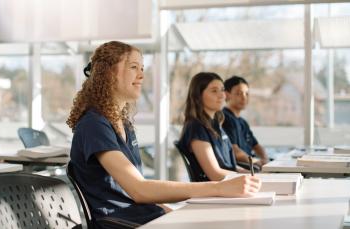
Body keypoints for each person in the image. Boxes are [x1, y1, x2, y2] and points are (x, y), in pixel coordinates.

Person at [67, 41, 261, 227]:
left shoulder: (124, 124)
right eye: (134, 67)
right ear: (108, 73)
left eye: (142, 68)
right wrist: (219, 188)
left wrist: (171, 212)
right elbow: (140, 190)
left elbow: (142, 196)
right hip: (119, 223)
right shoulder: (93, 125)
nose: (142, 76)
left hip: (142, 215)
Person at [178, 72, 249, 182]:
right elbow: (215, 174)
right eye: (214, 91)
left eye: (222, 90)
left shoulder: (216, 124)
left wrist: (249, 173)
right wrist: (247, 177)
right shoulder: (196, 127)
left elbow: (228, 166)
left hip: (229, 186)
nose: (222, 95)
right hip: (215, 191)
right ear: (198, 95)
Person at [222, 75, 269, 167]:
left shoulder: (242, 122)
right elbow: (234, 151)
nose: (244, 98)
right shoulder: (225, 118)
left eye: (246, 93)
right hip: (243, 167)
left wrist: (265, 159)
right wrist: (256, 162)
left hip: (251, 164)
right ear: (227, 94)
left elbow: (256, 146)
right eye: (239, 93)